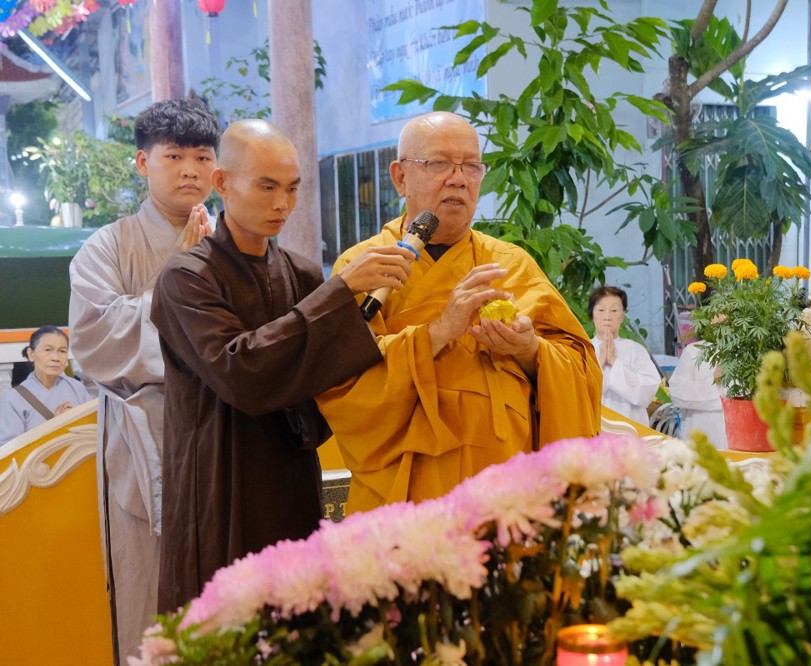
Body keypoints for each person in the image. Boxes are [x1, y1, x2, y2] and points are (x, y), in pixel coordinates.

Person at [150, 119, 414, 613]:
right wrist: (339, 291)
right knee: (224, 623)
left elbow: (330, 375)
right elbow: (240, 373)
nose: (282, 204)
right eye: (267, 187)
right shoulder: (186, 277)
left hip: (290, 473)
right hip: (219, 474)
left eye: (292, 188)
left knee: (298, 614)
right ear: (222, 182)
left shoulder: (302, 272)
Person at [317, 111, 602, 514]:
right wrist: (438, 333)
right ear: (400, 177)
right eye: (439, 164)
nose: (459, 179)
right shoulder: (364, 267)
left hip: (507, 500)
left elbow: (581, 373)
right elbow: (343, 389)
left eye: (471, 166)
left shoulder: (510, 264)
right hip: (408, 503)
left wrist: (529, 350)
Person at [68, 97, 221, 664]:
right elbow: (95, 341)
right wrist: (176, 279)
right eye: (173, 156)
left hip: (224, 435)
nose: (189, 170)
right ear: (142, 162)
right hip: (146, 441)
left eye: (202, 157)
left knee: (230, 592)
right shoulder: (106, 247)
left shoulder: (238, 243)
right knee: (149, 598)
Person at [0, 326, 90, 446]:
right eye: (48, 350)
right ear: (31, 354)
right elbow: (10, 449)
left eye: (62, 351)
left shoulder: (77, 388)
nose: (56, 358)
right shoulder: (14, 398)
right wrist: (54, 427)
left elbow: (93, 426)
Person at [587, 286, 661, 427]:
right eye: (601, 310)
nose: (607, 316)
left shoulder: (636, 350)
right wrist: (600, 362)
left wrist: (614, 362)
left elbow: (647, 391)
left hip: (631, 429)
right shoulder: (583, 349)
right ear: (592, 314)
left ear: (623, 315)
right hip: (593, 428)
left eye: (614, 310)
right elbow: (575, 391)